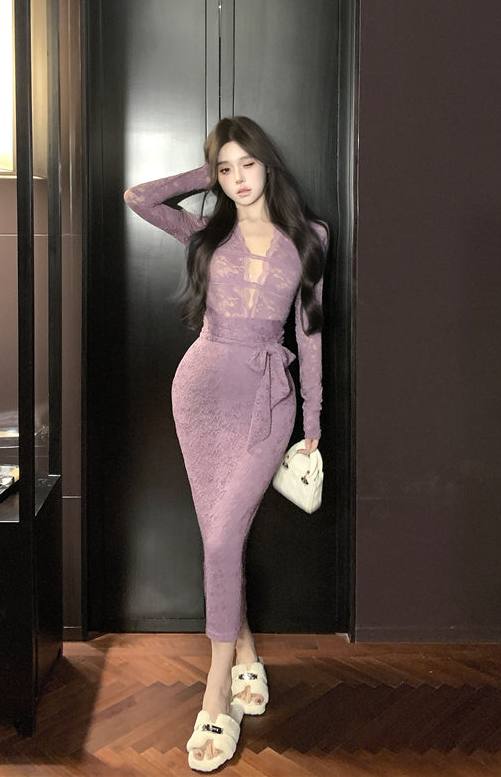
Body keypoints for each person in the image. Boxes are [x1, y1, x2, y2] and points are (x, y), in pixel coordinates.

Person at [124, 116, 327, 772]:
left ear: (269, 164)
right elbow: (138, 197)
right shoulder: (205, 230)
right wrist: (203, 172)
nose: (239, 179)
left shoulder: (310, 237)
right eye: (226, 169)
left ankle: (215, 694)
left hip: (266, 402)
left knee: (220, 539)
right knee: (221, 538)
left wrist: (313, 426)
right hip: (201, 395)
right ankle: (242, 658)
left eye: (248, 164)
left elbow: (311, 335)